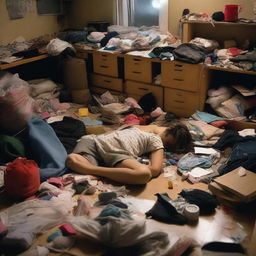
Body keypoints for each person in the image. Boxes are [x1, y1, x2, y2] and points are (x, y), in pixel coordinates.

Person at [66, 123, 192, 185]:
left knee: (72, 159)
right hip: (97, 143)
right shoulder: (157, 139)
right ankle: (97, 170)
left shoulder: (145, 127)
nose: (165, 148)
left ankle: (92, 169)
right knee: (144, 174)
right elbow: (154, 169)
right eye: (168, 145)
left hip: (100, 143)